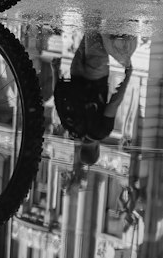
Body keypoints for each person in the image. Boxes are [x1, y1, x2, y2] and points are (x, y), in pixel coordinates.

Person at [53, 23, 134, 170]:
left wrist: (127, 77)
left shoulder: (101, 131)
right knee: (90, 29)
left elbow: (113, 104)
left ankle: (99, 2)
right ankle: (94, 4)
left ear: (97, 149)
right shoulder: (72, 129)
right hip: (76, 72)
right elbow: (59, 101)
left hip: (96, 75)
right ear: (82, 149)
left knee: (93, 24)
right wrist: (55, 71)